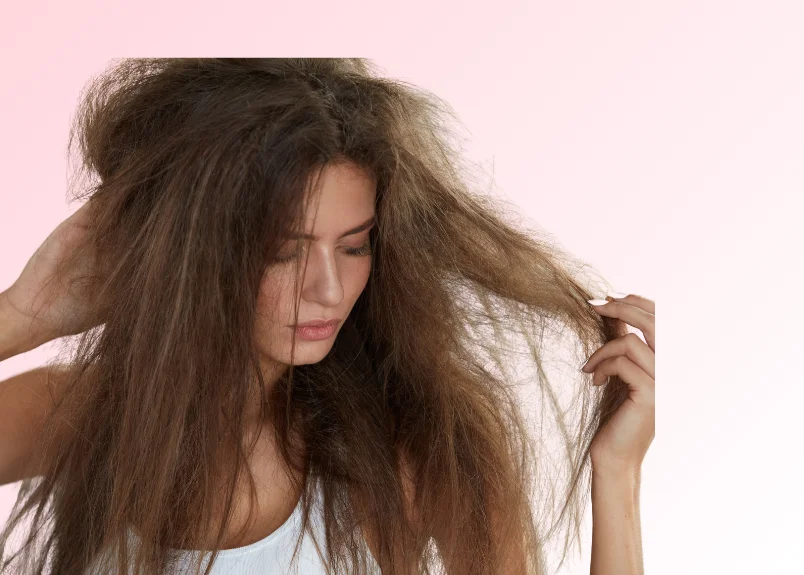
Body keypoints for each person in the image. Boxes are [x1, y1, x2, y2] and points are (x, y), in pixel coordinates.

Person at [0, 58, 654, 575]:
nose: (330, 288)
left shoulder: (415, 453)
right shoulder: (84, 417)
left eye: (354, 244)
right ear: (194, 251)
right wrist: (19, 317)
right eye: (284, 250)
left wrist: (617, 475)